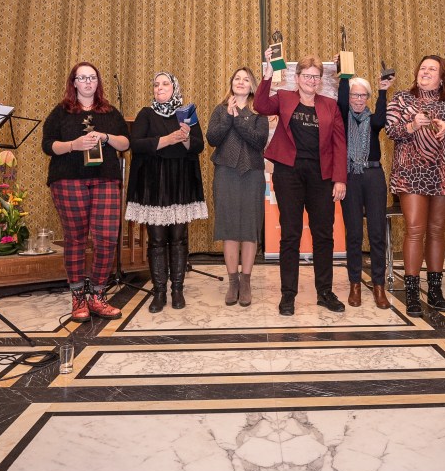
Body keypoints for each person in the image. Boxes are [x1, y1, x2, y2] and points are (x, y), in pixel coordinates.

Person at [254, 50, 347, 316]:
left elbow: (339, 144)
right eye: (307, 75)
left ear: (320, 80)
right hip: (288, 174)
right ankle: (288, 294)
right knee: (290, 234)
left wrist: (340, 179)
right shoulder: (284, 97)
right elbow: (261, 106)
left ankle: (325, 292)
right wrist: (268, 75)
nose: (311, 80)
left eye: (316, 77)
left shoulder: (330, 105)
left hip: (321, 176)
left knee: (323, 235)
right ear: (297, 77)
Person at [42, 62, 130, 322]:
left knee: (107, 238)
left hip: (105, 179)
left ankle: (98, 295)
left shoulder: (110, 112)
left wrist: (105, 137)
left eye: (92, 77)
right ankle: (78, 297)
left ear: (98, 82)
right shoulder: (61, 112)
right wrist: (74, 145)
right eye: (82, 78)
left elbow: (125, 143)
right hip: (68, 179)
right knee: (76, 238)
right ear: (74, 83)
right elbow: (48, 145)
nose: (88, 82)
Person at [385, 55, 445, 317]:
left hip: (444, 171)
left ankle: (435, 290)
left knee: (437, 230)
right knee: (415, 229)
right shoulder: (401, 98)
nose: (426, 72)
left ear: (442, 77)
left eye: (432, 69)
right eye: (422, 68)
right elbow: (390, 130)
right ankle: (411, 292)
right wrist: (411, 125)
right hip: (411, 172)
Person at [125, 72, 207, 312]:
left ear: (174, 88)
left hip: (180, 183)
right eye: (155, 84)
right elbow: (135, 144)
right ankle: (159, 292)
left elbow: (199, 145)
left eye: (165, 84)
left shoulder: (186, 113)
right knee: (157, 240)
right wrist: (167, 139)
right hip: (153, 185)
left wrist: (185, 138)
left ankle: (177, 290)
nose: (159, 88)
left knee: (179, 239)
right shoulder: (146, 113)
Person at [206, 67, 269, 307]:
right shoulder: (220, 109)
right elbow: (212, 139)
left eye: (246, 79)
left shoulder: (259, 112)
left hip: (252, 173)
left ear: (252, 86)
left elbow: (258, 141)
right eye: (237, 79)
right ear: (231, 83)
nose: (241, 82)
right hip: (226, 173)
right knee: (230, 228)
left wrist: (238, 117)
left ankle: (246, 281)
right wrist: (228, 117)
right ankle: (233, 282)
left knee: (250, 229)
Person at [336, 66, 393, 309]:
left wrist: (382, 91)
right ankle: (355, 284)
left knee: (377, 232)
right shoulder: (341, 117)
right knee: (354, 234)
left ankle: (379, 285)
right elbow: (341, 101)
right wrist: (344, 74)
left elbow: (382, 118)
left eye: (363, 95)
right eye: (354, 95)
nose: (359, 99)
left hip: (373, 175)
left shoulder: (373, 120)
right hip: (350, 176)